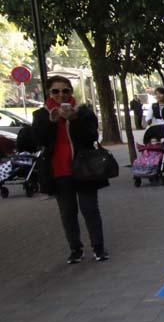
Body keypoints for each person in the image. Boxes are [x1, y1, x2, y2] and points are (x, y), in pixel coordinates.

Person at [32, 76, 109, 263]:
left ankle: (98, 248)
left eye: (65, 90)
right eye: (55, 91)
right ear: (49, 93)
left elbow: (92, 135)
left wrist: (74, 119)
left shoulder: (83, 111)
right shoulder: (41, 114)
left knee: (90, 209)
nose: (61, 95)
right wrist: (52, 121)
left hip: (84, 168)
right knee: (68, 212)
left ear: (71, 92)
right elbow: (39, 140)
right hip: (59, 171)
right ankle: (76, 249)